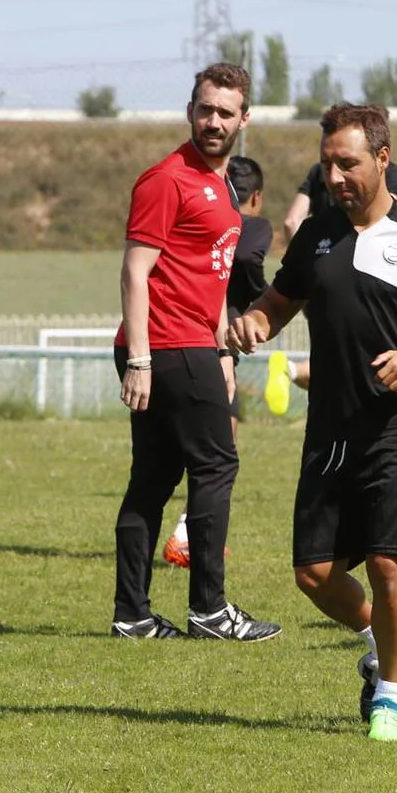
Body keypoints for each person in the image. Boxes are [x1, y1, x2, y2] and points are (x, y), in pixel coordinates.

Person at [230, 103, 397, 740]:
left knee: (387, 561)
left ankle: (391, 700)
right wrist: (256, 324)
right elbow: (278, 303)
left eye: (347, 163)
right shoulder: (317, 234)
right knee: (314, 574)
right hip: (331, 427)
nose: (335, 176)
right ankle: (385, 639)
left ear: (381, 158)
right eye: (326, 165)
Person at [111, 63, 281, 642]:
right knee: (217, 465)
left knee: (153, 481)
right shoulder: (167, 179)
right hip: (166, 346)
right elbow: (136, 274)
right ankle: (210, 609)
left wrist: (224, 353)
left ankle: (131, 615)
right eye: (205, 109)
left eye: (225, 112)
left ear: (243, 120)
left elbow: (213, 278)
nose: (214, 121)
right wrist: (139, 359)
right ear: (190, 111)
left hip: (192, 345)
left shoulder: (220, 184)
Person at [162, 155, 274, 569]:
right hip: (211, 344)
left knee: (202, 447)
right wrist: (266, 300)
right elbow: (246, 259)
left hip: (181, 339)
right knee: (219, 451)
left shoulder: (199, 220)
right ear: (256, 198)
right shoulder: (253, 225)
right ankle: (189, 537)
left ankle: (188, 534)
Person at [265, 161, 397, 412]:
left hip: (317, 277)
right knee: (363, 362)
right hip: (361, 277)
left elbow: (291, 221)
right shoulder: (390, 171)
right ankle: (292, 370)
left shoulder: (317, 170)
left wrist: (308, 263)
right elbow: (386, 218)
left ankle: (293, 372)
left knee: (333, 357)